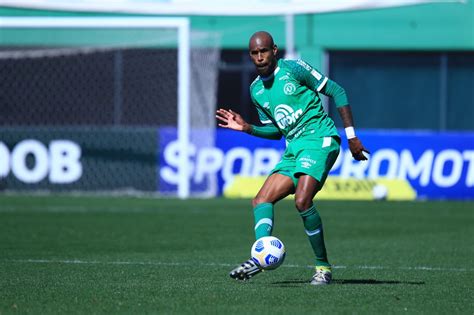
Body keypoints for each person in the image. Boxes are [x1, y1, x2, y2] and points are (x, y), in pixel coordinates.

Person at [216, 31, 369, 285]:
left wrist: (352, 137)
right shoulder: (256, 90)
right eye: (254, 53)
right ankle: (261, 257)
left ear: (274, 50)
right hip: (294, 147)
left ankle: (323, 268)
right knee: (260, 200)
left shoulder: (294, 69)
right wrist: (247, 128)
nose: (259, 57)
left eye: (263, 51)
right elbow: (277, 131)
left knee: (302, 200)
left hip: (320, 139)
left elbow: (337, 91)